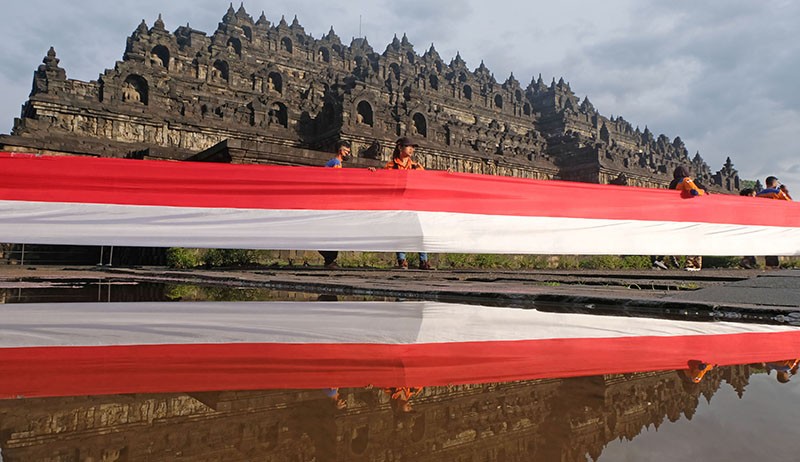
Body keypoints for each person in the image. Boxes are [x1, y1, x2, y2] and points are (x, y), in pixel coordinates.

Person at [384, 137, 432, 270]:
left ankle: (423, 260)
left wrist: (447, 174)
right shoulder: (391, 166)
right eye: (408, 146)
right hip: (398, 203)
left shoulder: (416, 166)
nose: (412, 149)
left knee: (420, 231)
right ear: (400, 147)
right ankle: (402, 260)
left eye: (413, 147)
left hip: (414, 203)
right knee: (400, 231)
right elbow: (383, 182)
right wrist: (372, 172)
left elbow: (428, 180)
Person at [318, 140, 352, 268]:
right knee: (334, 231)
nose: (348, 154)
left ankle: (329, 259)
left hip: (328, 200)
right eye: (347, 152)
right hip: (331, 200)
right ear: (340, 151)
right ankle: (329, 258)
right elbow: (336, 181)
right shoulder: (336, 163)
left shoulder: (333, 163)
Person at [668, 166, 706, 271]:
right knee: (694, 238)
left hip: (678, 214)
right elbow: (694, 191)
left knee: (684, 237)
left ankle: (673, 257)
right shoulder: (686, 180)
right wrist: (703, 191)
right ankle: (692, 264)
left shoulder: (673, 184)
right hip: (690, 213)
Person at [756, 176, 791, 268]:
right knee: (775, 240)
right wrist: (785, 192)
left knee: (767, 241)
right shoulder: (778, 192)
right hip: (775, 220)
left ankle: (769, 262)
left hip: (763, 221)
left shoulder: (758, 194)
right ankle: (774, 263)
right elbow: (790, 203)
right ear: (774, 183)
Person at [738, 188, 758, 269]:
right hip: (747, 227)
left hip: (746, 226)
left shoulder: (741, 203)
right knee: (749, 243)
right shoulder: (747, 204)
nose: (755, 197)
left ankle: (750, 260)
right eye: (754, 195)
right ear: (749, 195)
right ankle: (747, 260)